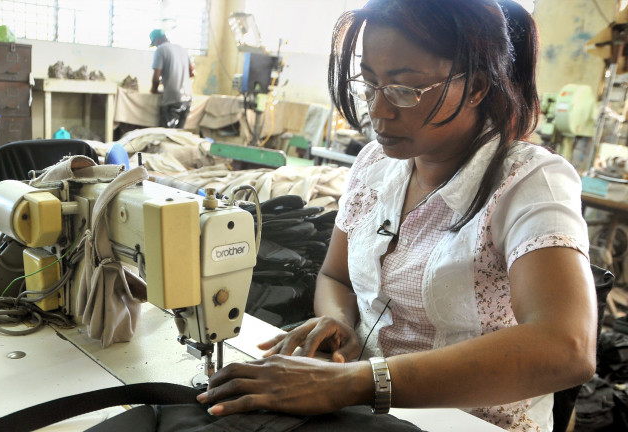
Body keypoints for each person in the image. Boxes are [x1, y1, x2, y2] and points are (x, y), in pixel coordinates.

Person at [196, 1, 597, 431]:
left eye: (405, 89)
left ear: (476, 88)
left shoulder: (530, 181)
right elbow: (335, 277)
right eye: (369, 84)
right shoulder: (374, 165)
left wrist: (356, 382)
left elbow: (567, 348)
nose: (378, 110)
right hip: (366, 411)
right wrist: (339, 321)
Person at [149, 29, 195, 129]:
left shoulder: (161, 49)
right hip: (187, 99)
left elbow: (156, 77)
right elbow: (192, 73)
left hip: (172, 99)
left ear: (156, 40)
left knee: (167, 133)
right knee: (177, 134)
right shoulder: (182, 49)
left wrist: (154, 90)